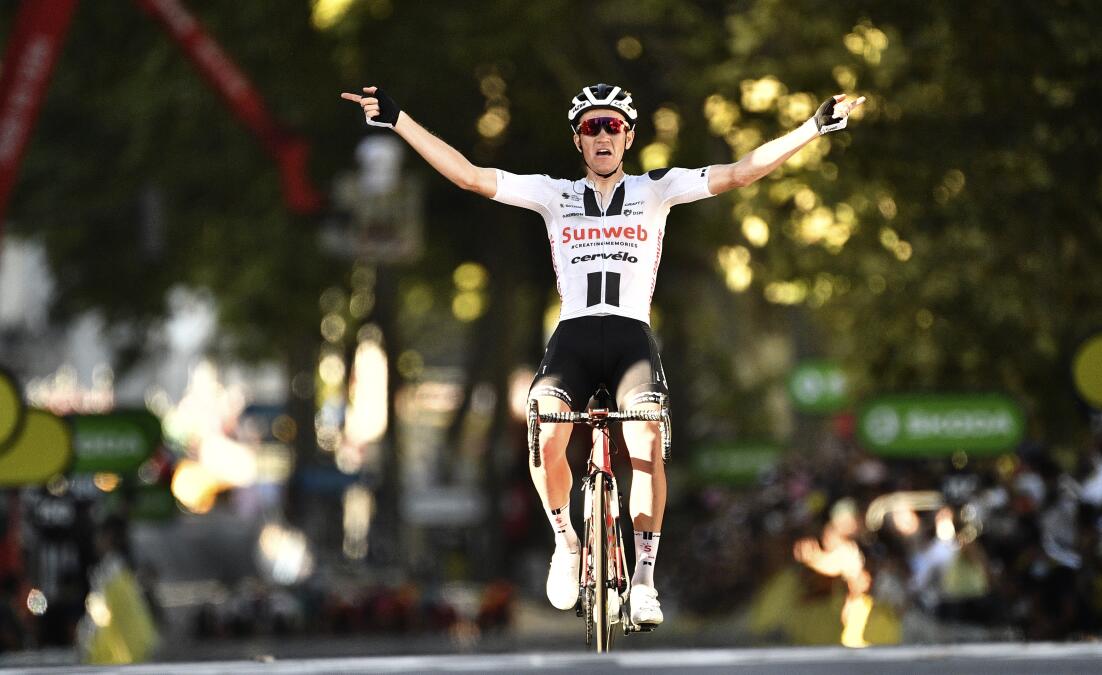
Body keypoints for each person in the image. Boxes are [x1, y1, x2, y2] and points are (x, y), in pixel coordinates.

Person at [341, 82, 866, 626]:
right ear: (578, 141)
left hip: (630, 340)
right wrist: (397, 119)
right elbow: (470, 176)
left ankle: (643, 578)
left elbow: (738, 172)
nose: (602, 135)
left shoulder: (656, 190)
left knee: (644, 439)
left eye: (612, 126)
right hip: (572, 339)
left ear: (629, 137)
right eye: (591, 127)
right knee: (545, 429)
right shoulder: (553, 194)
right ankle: (567, 544)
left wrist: (812, 127)